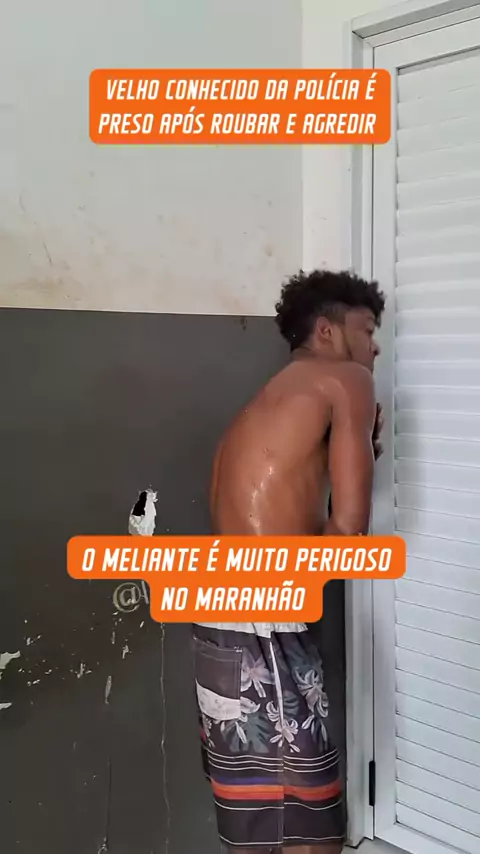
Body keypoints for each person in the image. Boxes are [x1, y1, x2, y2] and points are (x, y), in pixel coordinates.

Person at [193, 269, 385, 853]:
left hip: (221, 609)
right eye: (367, 330)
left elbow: (280, 502)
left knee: (258, 810)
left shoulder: (276, 396)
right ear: (327, 330)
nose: (375, 347)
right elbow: (348, 533)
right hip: (265, 618)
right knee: (307, 821)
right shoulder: (346, 380)